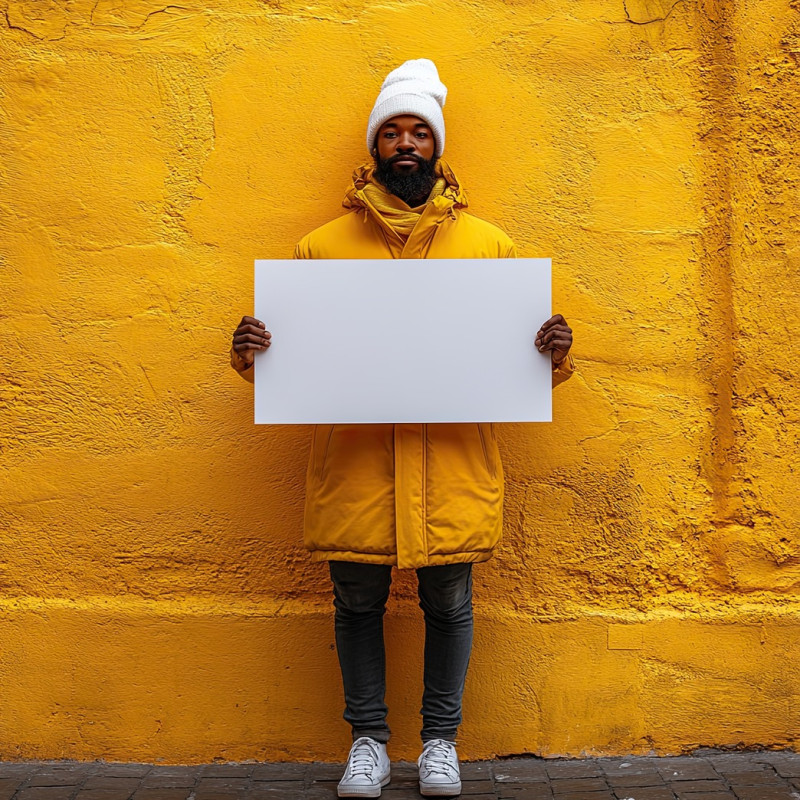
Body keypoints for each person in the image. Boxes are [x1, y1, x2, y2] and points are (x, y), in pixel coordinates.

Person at [230, 58, 575, 798]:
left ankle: (441, 743)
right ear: (376, 147)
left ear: (438, 145)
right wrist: (255, 352)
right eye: (395, 132)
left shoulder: (490, 246)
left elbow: (521, 367)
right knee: (356, 601)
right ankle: (369, 742)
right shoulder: (320, 248)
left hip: (452, 464)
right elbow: (290, 368)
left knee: (450, 602)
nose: (409, 143)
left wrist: (548, 351)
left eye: (421, 131)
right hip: (356, 467)